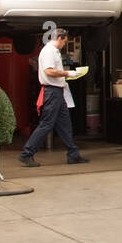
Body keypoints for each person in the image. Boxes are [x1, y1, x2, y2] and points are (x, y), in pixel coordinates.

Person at [20, 28, 89, 167]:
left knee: (65, 124)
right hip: (52, 92)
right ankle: (26, 154)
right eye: (64, 41)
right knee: (46, 124)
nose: (64, 44)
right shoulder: (49, 51)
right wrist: (68, 73)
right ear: (59, 38)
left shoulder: (53, 51)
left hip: (57, 91)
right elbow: (49, 71)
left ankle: (73, 154)